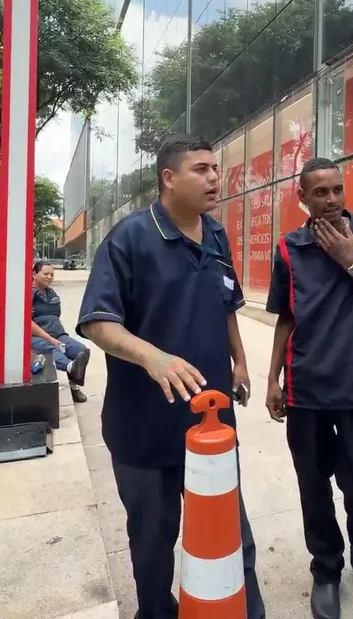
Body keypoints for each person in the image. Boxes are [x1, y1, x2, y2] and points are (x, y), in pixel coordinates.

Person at [77, 134, 265, 619]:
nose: (214, 177)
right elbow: (97, 322)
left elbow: (227, 303)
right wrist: (153, 358)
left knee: (233, 536)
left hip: (212, 425)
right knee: (153, 546)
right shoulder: (130, 238)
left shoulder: (216, 234)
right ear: (169, 178)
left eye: (214, 168)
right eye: (201, 169)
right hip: (146, 430)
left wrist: (240, 361)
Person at [264, 157, 353, 619]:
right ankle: (326, 569)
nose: (331, 200)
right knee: (314, 488)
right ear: (302, 197)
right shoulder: (290, 248)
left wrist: (351, 262)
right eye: (320, 192)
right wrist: (272, 379)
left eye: (337, 190)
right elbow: (286, 317)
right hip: (305, 389)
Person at [30, 260, 91, 403]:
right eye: (45, 274)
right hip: (36, 337)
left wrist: (57, 335)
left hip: (58, 334)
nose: (49, 277)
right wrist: (50, 338)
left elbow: (55, 316)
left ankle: (74, 385)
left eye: (52, 274)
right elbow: (27, 322)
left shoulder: (52, 294)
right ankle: (70, 367)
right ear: (34, 274)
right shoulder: (29, 294)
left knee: (81, 351)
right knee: (53, 350)